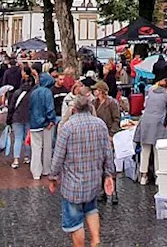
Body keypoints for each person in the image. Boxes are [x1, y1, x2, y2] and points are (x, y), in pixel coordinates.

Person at [48, 94, 115, 247]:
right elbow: (108, 152)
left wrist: (53, 177)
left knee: (74, 221)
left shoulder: (68, 128)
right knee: (91, 210)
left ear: (74, 109)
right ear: (90, 107)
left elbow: (58, 156)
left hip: (72, 184)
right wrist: (109, 174)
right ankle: (96, 240)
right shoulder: (100, 124)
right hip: (93, 181)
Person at [134, 79, 167, 185]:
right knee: (157, 150)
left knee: (145, 151)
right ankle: (158, 176)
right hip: (158, 124)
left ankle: (143, 176)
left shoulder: (150, 94)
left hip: (145, 122)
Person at [92, 81, 121, 205]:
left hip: (108, 135)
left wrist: (112, 134)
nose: (94, 92)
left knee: (110, 165)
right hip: (97, 137)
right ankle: (103, 191)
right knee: (100, 164)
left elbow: (117, 119)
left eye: (96, 89)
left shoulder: (112, 103)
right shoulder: (94, 103)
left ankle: (114, 192)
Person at [29, 72, 58, 180]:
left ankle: (36, 172)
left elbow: (31, 108)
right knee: (47, 147)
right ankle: (47, 169)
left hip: (34, 123)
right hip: (46, 124)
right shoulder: (48, 92)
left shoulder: (34, 92)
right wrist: (51, 120)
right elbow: (50, 108)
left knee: (36, 148)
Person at [8, 68, 35, 170]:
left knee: (18, 138)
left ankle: (16, 159)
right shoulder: (33, 93)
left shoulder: (17, 93)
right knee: (27, 138)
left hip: (17, 117)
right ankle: (27, 156)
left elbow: (11, 107)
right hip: (28, 117)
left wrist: (9, 119)